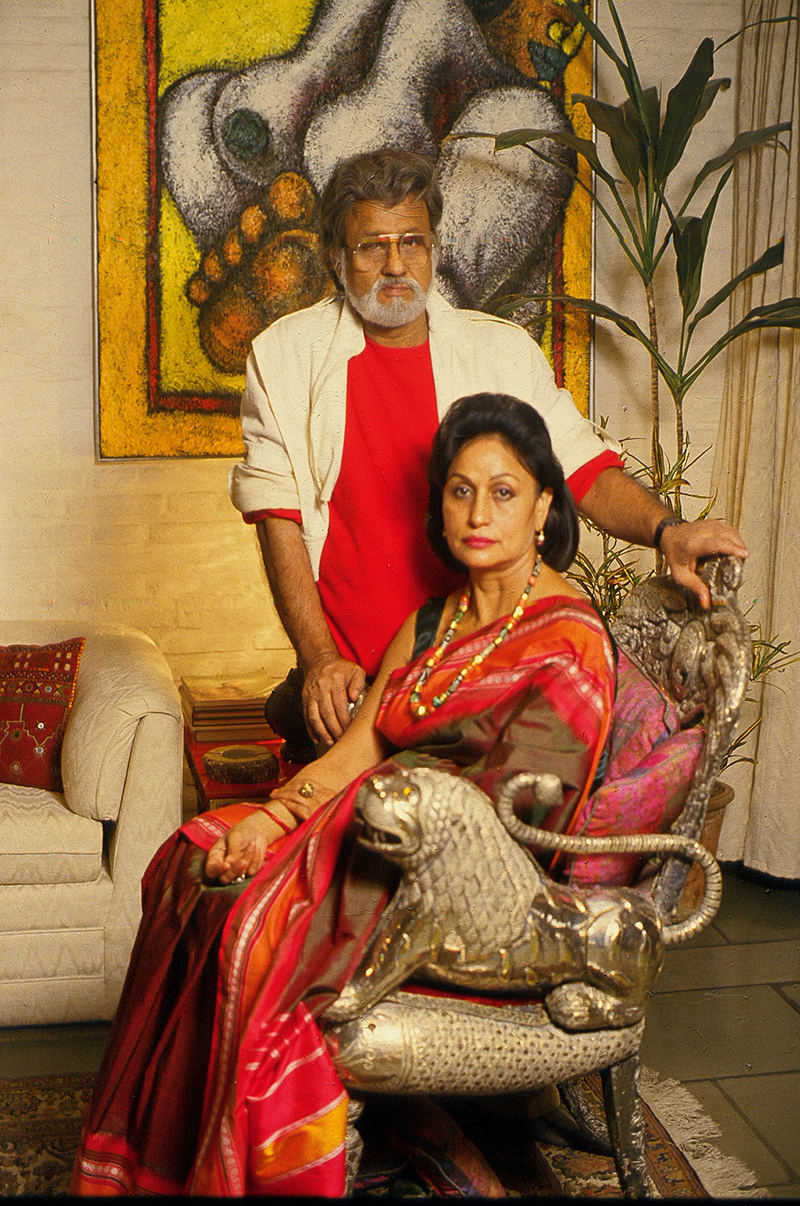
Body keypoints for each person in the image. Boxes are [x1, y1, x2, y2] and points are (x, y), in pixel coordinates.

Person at [72, 395, 619, 1197]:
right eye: (459, 489)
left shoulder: (569, 638)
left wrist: (342, 834)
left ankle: (260, 1168)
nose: (478, 511)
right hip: (373, 828)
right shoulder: (435, 620)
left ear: (545, 505)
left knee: (256, 928)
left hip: (479, 883)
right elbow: (360, 746)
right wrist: (271, 817)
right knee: (191, 867)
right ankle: (159, 1171)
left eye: (504, 491)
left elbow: (524, 815)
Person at [229, 146, 748, 754]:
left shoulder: (499, 353)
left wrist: (668, 532)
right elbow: (279, 520)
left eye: (412, 242)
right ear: (336, 257)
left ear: (434, 249)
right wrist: (318, 660)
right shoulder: (284, 357)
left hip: (484, 676)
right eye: (373, 246)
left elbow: (583, 469)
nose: (396, 265)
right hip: (351, 684)